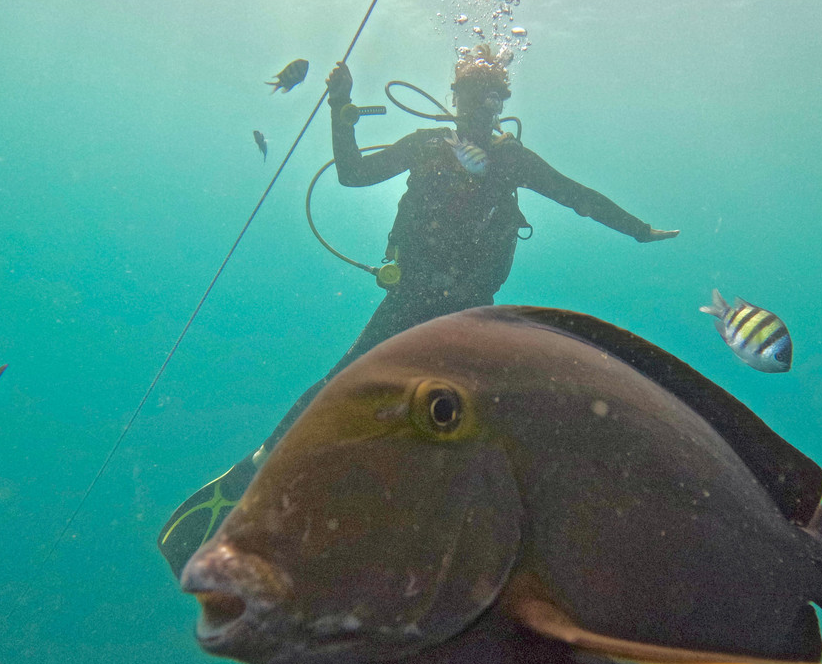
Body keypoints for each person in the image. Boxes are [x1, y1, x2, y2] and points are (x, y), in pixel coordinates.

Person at [158, 45, 678, 574]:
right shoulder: (428, 145)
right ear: (455, 99)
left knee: (463, 415)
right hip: (420, 298)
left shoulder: (510, 158)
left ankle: (426, 522)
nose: (480, 108)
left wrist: (637, 230)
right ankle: (260, 472)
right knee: (349, 384)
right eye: (472, 97)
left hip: (469, 310)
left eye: (490, 99)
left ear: (500, 105)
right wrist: (342, 107)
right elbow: (353, 174)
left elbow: (576, 195)